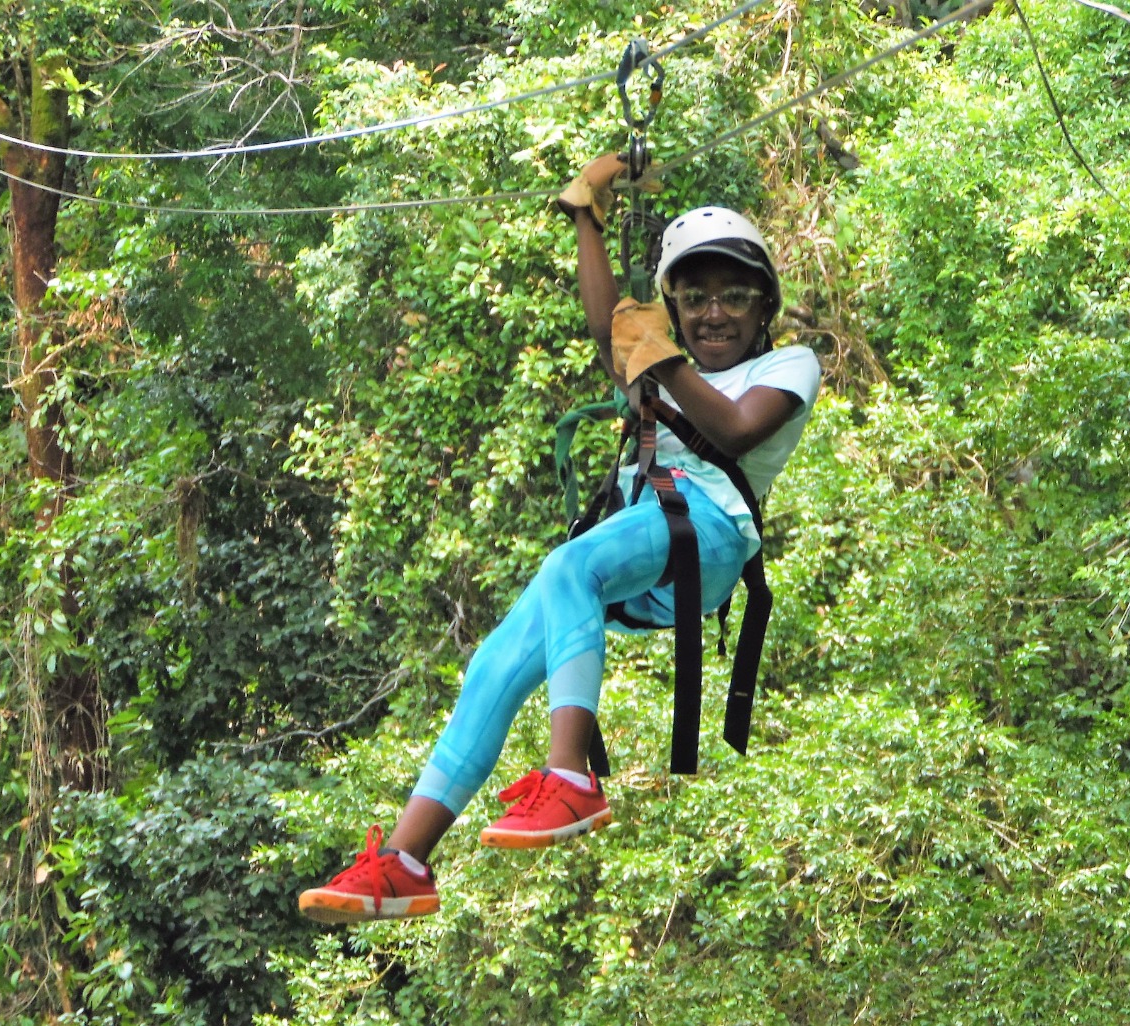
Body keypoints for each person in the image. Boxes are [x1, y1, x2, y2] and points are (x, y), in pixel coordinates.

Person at [297, 154, 822, 924]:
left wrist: (663, 359)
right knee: (500, 658)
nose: (715, 313)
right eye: (694, 297)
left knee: (569, 565)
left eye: (735, 297)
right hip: (647, 540)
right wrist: (587, 211)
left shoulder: (789, 364)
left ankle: (568, 776)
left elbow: (736, 431)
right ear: (673, 304)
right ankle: (406, 860)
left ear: (765, 305)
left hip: (707, 536)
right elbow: (609, 324)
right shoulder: (660, 363)